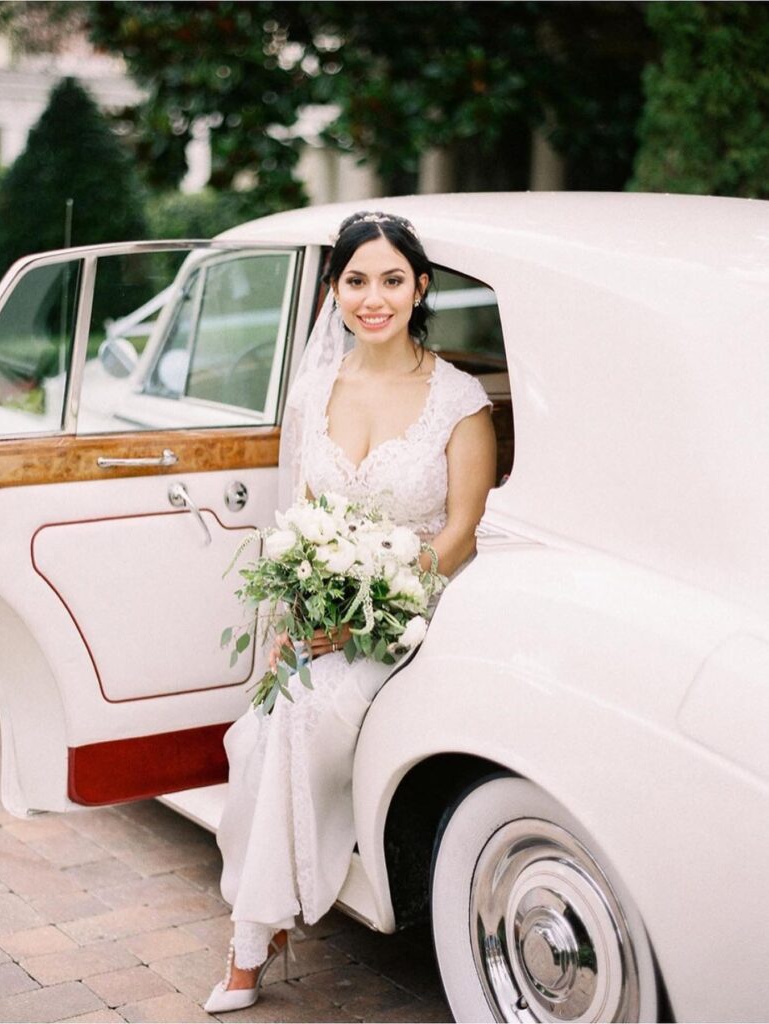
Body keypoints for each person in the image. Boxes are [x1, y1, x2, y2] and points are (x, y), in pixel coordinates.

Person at [205, 211, 497, 1013]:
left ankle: (249, 941)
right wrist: (289, 624)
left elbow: (461, 531)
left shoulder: (458, 400)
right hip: (321, 609)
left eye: (391, 280)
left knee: (299, 714)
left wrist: (373, 611)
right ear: (334, 291)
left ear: (420, 287)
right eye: (356, 281)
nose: (374, 298)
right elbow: (295, 518)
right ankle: (261, 920)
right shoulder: (314, 388)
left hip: (416, 609)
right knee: (269, 715)